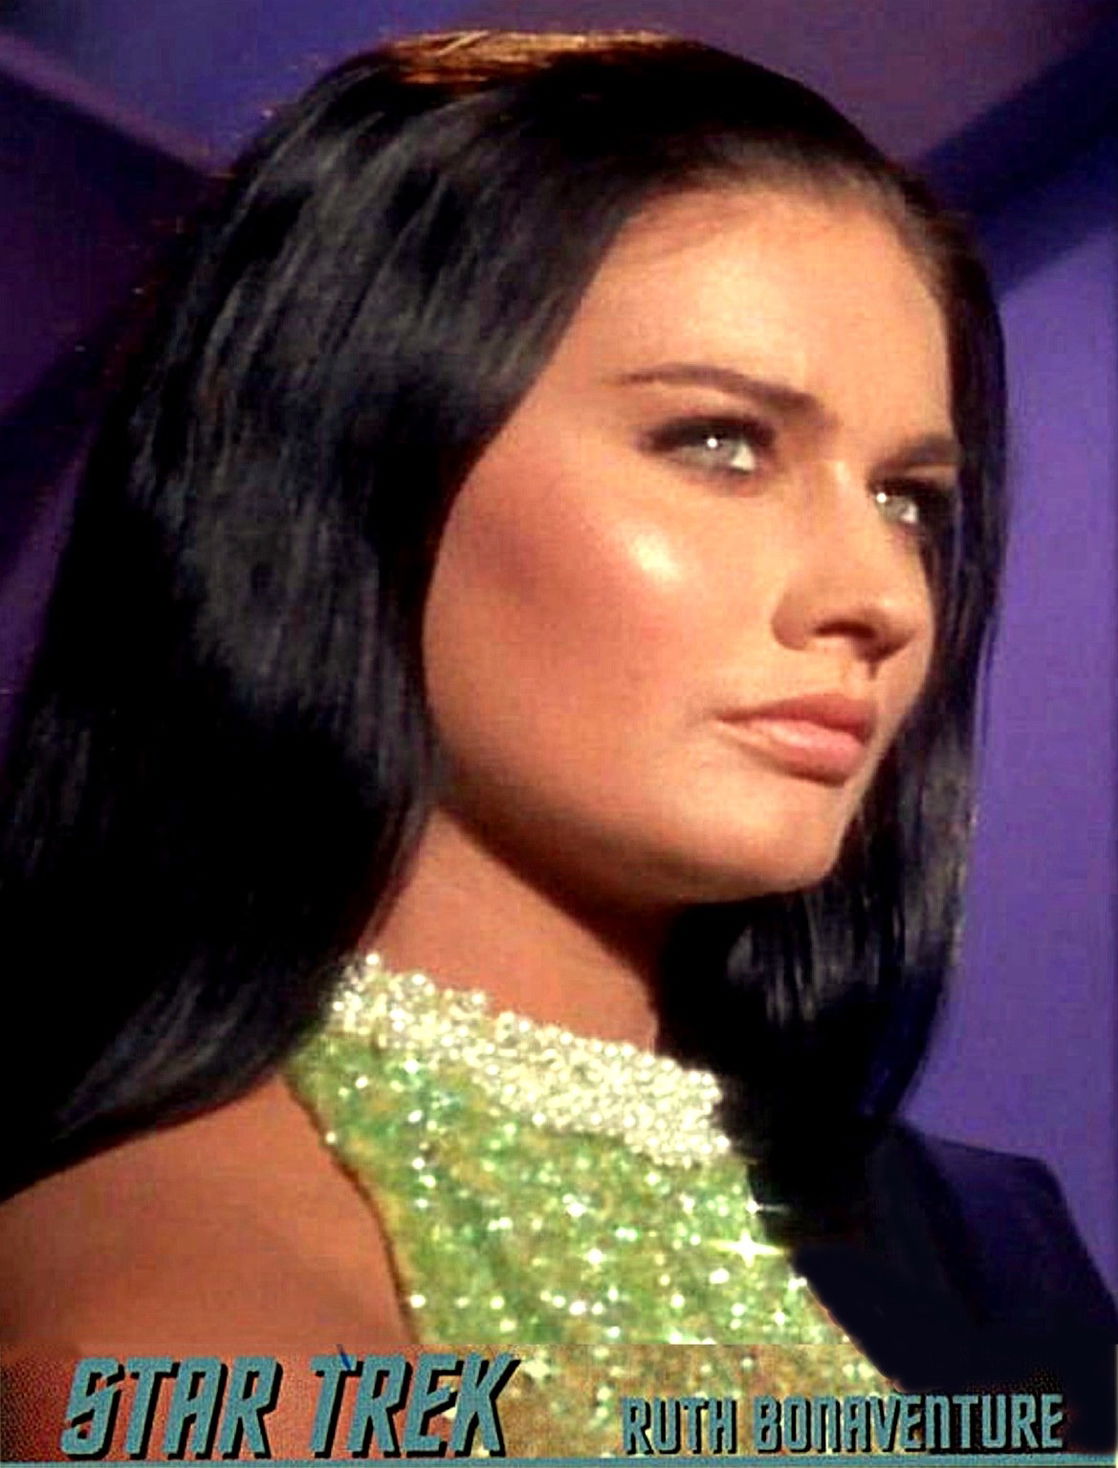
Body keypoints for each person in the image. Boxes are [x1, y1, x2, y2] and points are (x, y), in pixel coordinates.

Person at [0, 26, 1114, 1447]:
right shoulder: (180, 1354)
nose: (883, 598)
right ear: (347, 456)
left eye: (908, 498)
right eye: (718, 443)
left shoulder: (985, 1250)